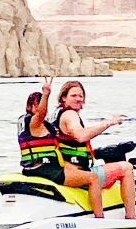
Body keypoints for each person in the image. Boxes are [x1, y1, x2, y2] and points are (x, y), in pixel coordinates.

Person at [18, 76, 108, 217]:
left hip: (31, 167)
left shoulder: (29, 123)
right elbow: (41, 114)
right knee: (93, 178)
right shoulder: (35, 121)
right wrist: (46, 94)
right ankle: (100, 218)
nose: (41, 108)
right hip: (45, 168)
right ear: (31, 107)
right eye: (37, 104)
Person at [54, 80, 136, 220]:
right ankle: (131, 217)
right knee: (127, 168)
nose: (79, 99)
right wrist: (109, 123)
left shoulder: (56, 114)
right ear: (63, 97)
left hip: (66, 168)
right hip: (76, 172)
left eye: (81, 96)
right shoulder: (70, 115)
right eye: (74, 96)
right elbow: (81, 136)